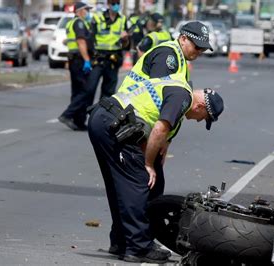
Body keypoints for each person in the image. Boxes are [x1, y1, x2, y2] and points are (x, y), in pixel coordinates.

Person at [88, 72, 224, 263]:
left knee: (120, 185)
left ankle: (121, 240)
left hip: (103, 118)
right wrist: (148, 164)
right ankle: (137, 248)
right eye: (204, 117)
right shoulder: (182, 98)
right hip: (113, 123)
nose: (199, 121)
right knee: (138, 184)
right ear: (200, 106)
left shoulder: (177, 88)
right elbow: (159, 130)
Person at [123, 20, 213, 88]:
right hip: (130, 108)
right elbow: (160, 90)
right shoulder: (167, 55)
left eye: (203, 49)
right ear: (183, 39)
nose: (200, 52)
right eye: (197, 47)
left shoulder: (180, 57)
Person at [58, 2, 94, 131]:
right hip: (79, 60)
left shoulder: (71, 22)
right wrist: (87, 60)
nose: (88, 12)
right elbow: (81, 41)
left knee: (77, 91)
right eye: (86, 10)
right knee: (86, 91)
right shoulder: (79, 23)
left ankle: (78, 121)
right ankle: (67, 115)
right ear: (79, 11)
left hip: (74, 60)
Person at [86, 0, 129, 102]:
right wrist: (89, 57)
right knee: (90, 88)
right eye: (113, 4)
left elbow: (126, 45)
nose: (116, 6)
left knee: (108, 91)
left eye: (118, 3)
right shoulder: (97, 18)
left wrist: (125, 39)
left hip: (113, 59)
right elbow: (90, 39)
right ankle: (87, 112)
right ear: (108, 5)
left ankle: (101, 114)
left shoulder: (123, 19)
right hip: (98, 57)